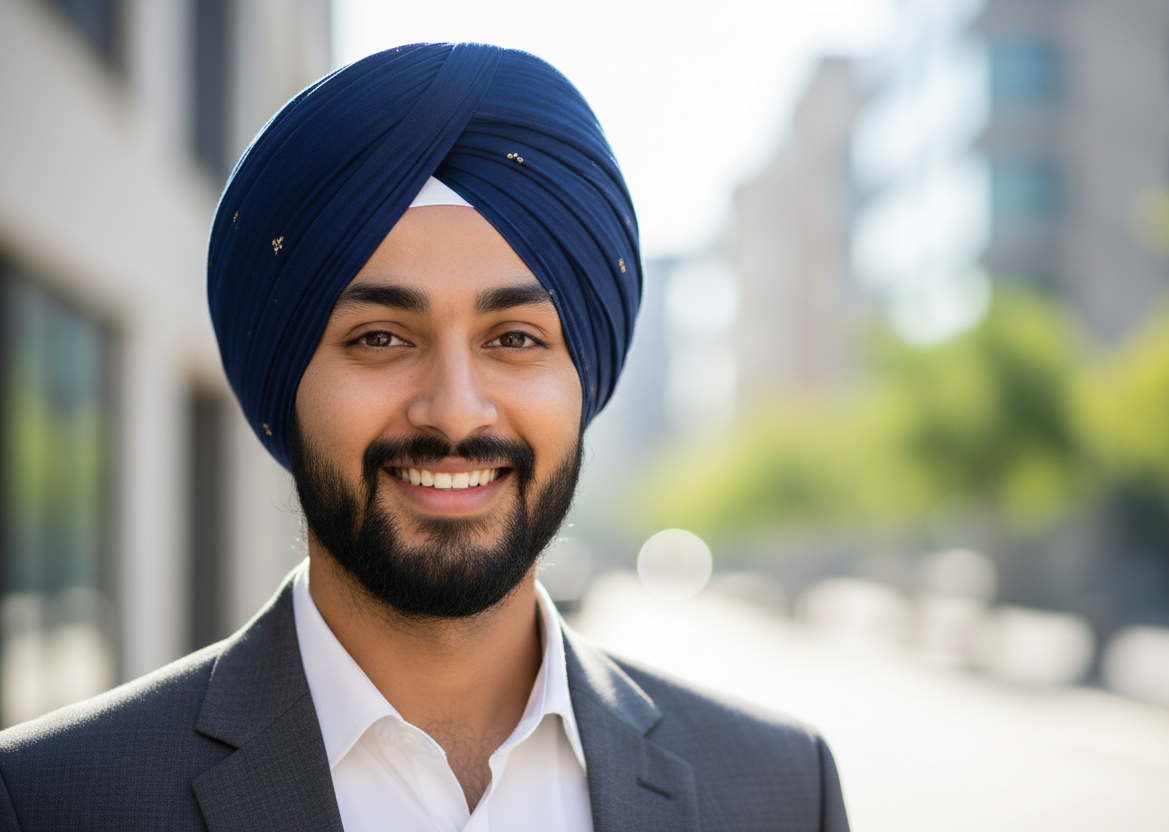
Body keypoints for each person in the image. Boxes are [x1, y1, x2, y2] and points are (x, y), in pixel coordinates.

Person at [0, 43, 850, 832]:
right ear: (285, 380)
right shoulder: (51, 799)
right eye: (380, 339)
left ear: (583, 381)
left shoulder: (778, 788)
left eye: (514, 338)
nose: (453, 411)